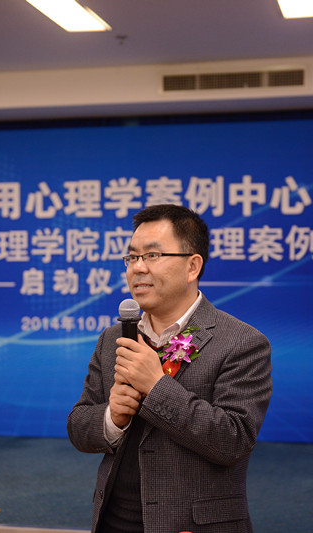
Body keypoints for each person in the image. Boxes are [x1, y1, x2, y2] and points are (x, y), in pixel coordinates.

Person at [67, 204, 272, 533]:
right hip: (113, 521)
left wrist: (156, 387)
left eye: (153, 255)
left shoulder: (241, 342)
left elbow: (233, 440)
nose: (138, 268)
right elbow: (78, 426)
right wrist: (112, 418)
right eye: (132, 257)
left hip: (192, 525)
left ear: (192, 266)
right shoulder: (112, 338)